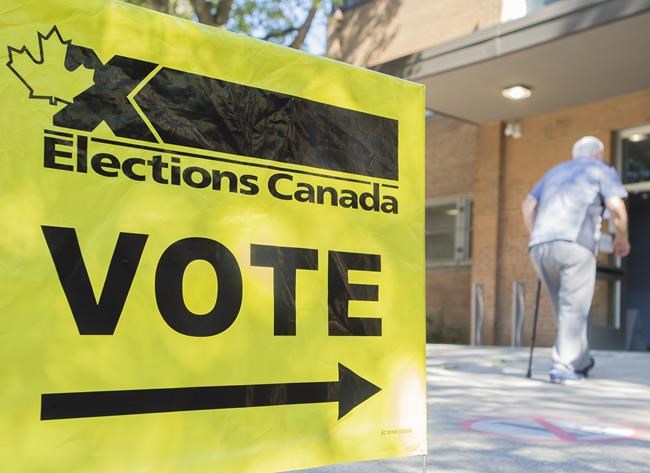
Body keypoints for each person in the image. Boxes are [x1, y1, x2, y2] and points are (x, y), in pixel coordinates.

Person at [521, 136, 630, 384]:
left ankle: (581, 360)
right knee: (574, 308)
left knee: (567, 309)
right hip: (574, 244)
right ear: (598, 154)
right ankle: (564, 367)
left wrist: (538, 234)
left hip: (540, 244)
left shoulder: (554, 172)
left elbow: (527, 206)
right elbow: (615, 206)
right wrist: (621, 238)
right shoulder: (600, 169)